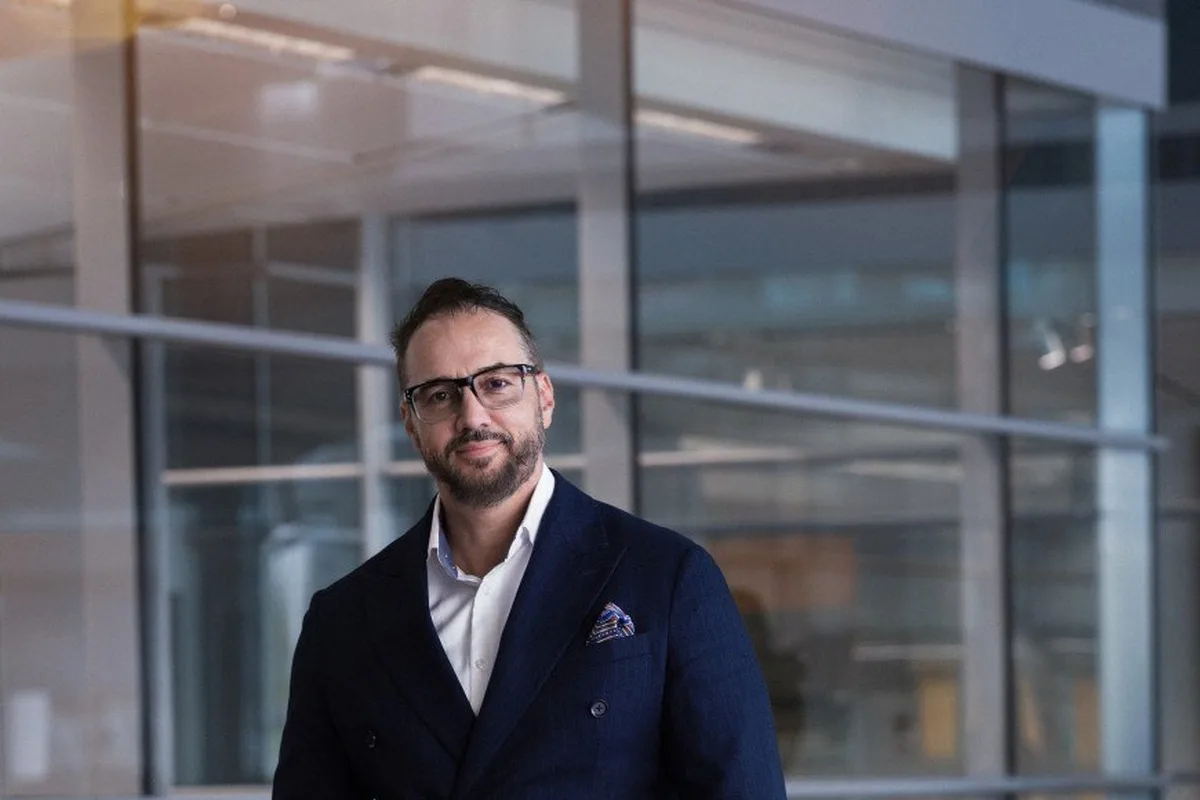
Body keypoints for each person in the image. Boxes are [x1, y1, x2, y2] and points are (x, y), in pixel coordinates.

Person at [272, 278, 786, 799]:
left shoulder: (667, 577)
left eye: (496, 384)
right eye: (441, 395)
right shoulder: (341, 622)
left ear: (543, 396)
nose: (472, 416)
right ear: (410, 423)